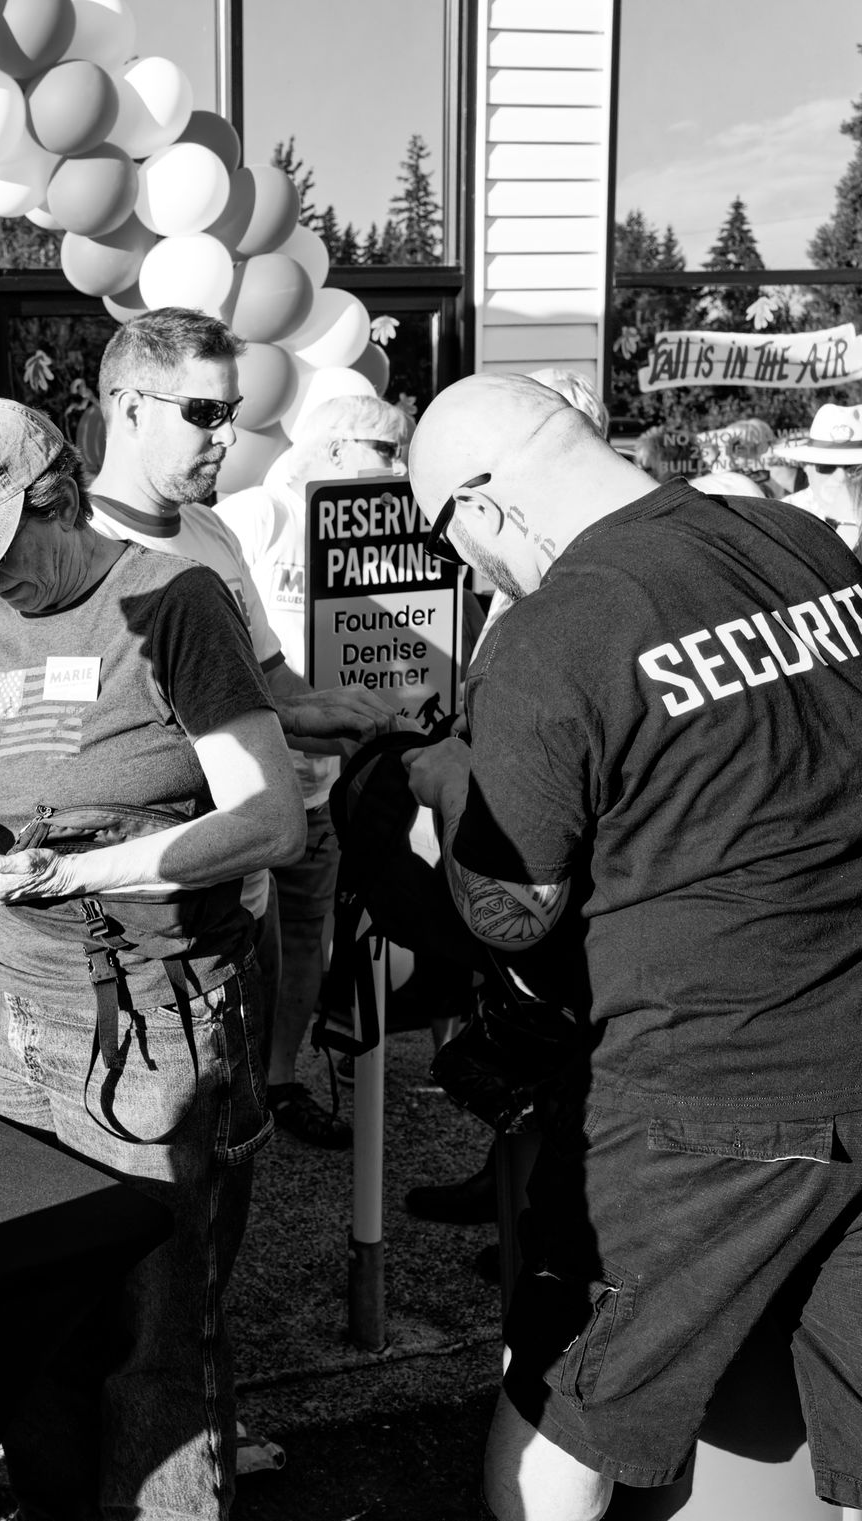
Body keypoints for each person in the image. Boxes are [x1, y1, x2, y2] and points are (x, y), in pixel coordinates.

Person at [401, 374, 862, 1521]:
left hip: (701, 1095)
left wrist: (441, 798)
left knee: (570, 1394)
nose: (467, 571)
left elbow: (512, 906)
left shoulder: (558, 628)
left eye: (451, 538)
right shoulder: (800, 541)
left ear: (487, 505)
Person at [0, 395, 303, 1519]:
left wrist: (77, 872)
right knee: (30, 1308)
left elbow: (272, 818)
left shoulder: (172, 600)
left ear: (56, 497)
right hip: (8, 1022)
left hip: (150, 1023)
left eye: (0, 549)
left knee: (156, 1330)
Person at [82, 310, 406, 1156]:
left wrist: (330, 712)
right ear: (128, 407)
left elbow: (267, 678)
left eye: (231, 411)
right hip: (141, 915)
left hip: (241, 890)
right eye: (204, 412)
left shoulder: (213, 532)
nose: (227, 435)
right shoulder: (70, 546)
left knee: (224, 1152)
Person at [215, 393, 416, 1146]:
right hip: (245, 786)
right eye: (385, 450)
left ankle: (279, 1081)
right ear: (333, 451)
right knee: (235, 946)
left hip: (323, 786)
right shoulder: (256, 515)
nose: (398, 468)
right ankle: (220, 1091)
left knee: (306, 938)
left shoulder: (376, 538)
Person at [781, 402, 862, 554]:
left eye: (854, 467)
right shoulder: (784, 516)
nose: (841, 477)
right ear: (806, 466)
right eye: (826, 466)